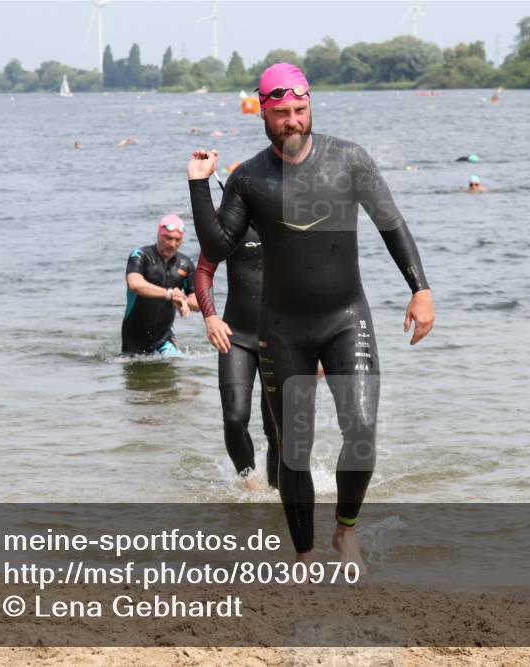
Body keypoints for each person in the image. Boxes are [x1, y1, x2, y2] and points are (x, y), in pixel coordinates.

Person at [187, 63, 435, 569]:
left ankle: (346, 529)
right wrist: (198, 186)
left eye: (301, 111)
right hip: (282, 330)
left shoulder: (348, 159)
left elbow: (391, 223)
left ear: (311, 107)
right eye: (282, 114)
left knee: (361, 429)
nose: (293, 121)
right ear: (263, 113)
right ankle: (304, 554)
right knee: (293, 451)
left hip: (346, 317)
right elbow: (216, 246)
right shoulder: (249, 178)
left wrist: (420, 289)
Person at [195, 230, 279, 491]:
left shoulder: (287, 213)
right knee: (234, 418)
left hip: (282, 337)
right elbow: (203, 271)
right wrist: (210, 317)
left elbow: (313, 278)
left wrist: (317, 346)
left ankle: (277, 494)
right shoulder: (232, 218)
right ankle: (251, 484)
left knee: (278, 429)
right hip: (236, 337)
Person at [122, 215, 199, 356]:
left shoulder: (185, 264)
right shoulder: (140, 255)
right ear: (159, 235)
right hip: (134, 336)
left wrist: (183, 301)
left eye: (177, 240)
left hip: (164, 337)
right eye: (168, 238)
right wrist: (169, 294)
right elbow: (135, 284)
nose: (172, 244)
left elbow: (197, 302)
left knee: (176, 362)